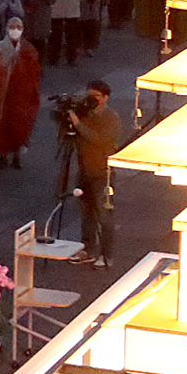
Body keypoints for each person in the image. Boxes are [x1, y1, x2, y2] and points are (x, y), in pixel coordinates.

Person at [69, 80, 124, 270]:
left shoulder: (111, 118)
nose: (91, 100)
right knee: (86, 214)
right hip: (84, 170)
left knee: (104, 216)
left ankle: (106, 254)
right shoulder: (86, 114)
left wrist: (78, 124)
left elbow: (99, 140)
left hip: (102, 173)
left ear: (105, 98)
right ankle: (88, 249)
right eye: (89, 96)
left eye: (96, 97)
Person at [0, 19, 44, 168]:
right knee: (3, 124)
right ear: (6, 28)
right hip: (4, 92)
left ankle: (16, 155)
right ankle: (2, 155)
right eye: (12, 27)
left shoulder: (28, 48)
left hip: (22, 94)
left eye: (19, 27)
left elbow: (35, 71)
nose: (15, 30)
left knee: (20, 125)